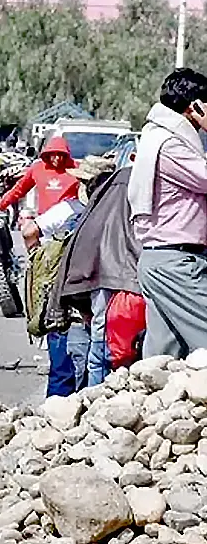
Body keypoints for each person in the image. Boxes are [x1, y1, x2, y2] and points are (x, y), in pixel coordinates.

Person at [0, 135, 86, 396]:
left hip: (68, 235)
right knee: (51, 306)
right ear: (46, 154)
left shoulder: (74, 171)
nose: (56, 159)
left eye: (61, 155)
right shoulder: (37, 169)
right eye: (52, 154)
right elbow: (19, 190)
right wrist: (0, 205)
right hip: (45, 235)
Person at [128, 67, 207, 359]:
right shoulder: (171, 144)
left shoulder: (159, 138)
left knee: (163, 356)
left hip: (164, 260)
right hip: (176, 262)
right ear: (194, 106)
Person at [54, 166, 142, 387]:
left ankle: (96, 399)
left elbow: (76, 261)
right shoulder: (132, 206)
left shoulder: (94, 213)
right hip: (128, 291)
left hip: (101, 292)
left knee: (99, 350)